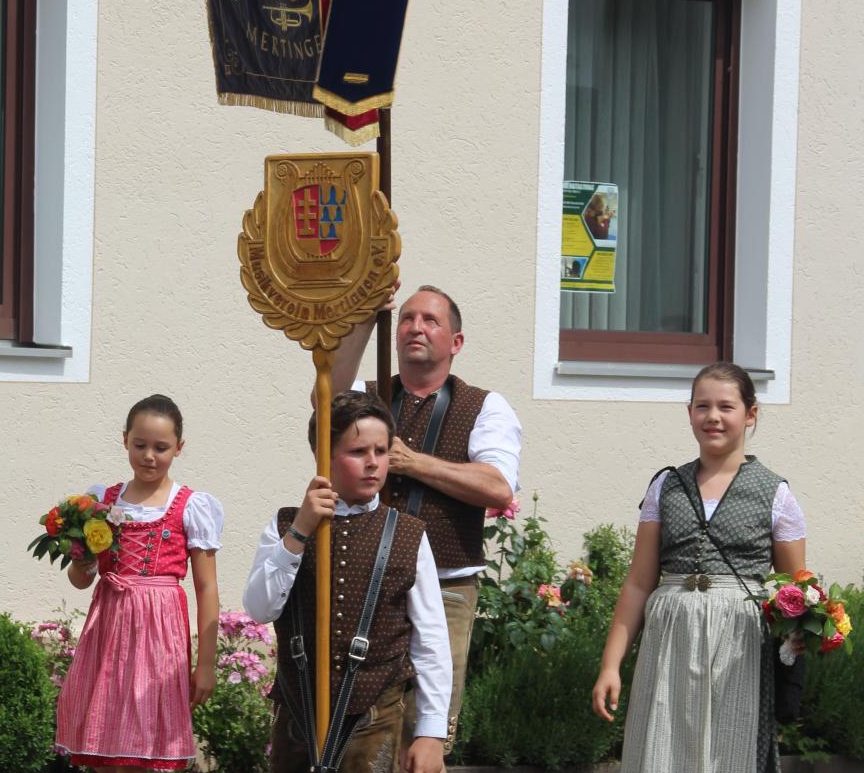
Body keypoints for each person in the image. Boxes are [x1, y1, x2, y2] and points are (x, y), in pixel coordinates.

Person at [327, 284, 522, 753]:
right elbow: (325, 398)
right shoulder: (368, 395)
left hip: (447, 583)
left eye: (431, 320)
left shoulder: (485, 406)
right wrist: (364, 317)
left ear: (456, 342)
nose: (416, 327)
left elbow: (498, 487)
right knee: (355, 721)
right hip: (365, 581)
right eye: (407, 319)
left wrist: (414, 463)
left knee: (426, 734)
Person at [591, 362, 807, 773]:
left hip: (740, 644)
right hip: (670, 635)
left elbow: (795, 589)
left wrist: (798, 638)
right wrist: (610, 665)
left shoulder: (775, 493)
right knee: (661, 749)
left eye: (726, 406)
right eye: (702, 406)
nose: (713, 416)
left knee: (730, 753)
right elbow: (639, 583)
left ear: (751, 414)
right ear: (689, 413)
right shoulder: (666, 486)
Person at [243, 391, 451, 773]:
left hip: (374, 716)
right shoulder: (285, 524)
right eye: (358, 452)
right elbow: (260, 607)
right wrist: (299, 532)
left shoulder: (407, 534)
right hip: (298, 715)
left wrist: (432, 731)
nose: (373, 463)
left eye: (381, 451)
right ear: (323, 456)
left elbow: (431, 640)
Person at [55, 394, 223, 773]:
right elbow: (81, 580)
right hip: (108, 631)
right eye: (140, 445)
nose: (149, 456)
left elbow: (206, 588)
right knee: (104, 744)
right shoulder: (101, 501)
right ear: (125, 440)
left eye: (161, 448)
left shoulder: (191, 505)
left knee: (145, 749)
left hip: (159, 637)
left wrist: (206, 664)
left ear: (179, 447)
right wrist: (81, 561)